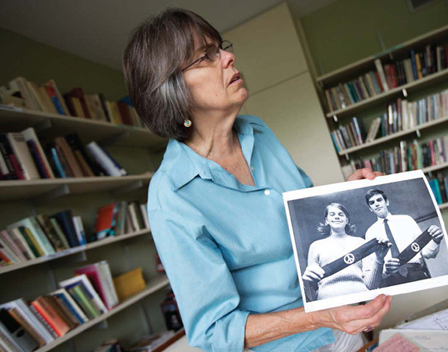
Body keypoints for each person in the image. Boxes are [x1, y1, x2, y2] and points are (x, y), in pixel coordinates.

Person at [123, 8, 391, 352]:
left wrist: (347, 193)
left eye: (220, 47)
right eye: (207, 56)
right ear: (170, 89)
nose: (228, 57)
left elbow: (306, 216)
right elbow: (214, 331)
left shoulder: (258, 131)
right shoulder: (171, 196)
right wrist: (318, 317)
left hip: (341, 323)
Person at [302, 203, 390, 301]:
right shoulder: (315, 246)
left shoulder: (361, 243)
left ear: (347, 220)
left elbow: (371, 286)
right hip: (328, 301)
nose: (337, 217)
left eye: (340, 214)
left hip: (361, 299)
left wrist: (379, 259)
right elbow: (312, 295)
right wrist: (306, 283)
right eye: (332, 214)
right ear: (326, 221)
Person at [363, 189, 444, 288]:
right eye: (372, 203)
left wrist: (436, 241)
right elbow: (373, 264)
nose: (376, 204)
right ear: (370, 208)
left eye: (379, 200)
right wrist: (385, 270)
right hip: (389, 280)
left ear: (386, 202)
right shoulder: (370, 233)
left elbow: (426, 253)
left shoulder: (406, 220)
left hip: (415, 274)